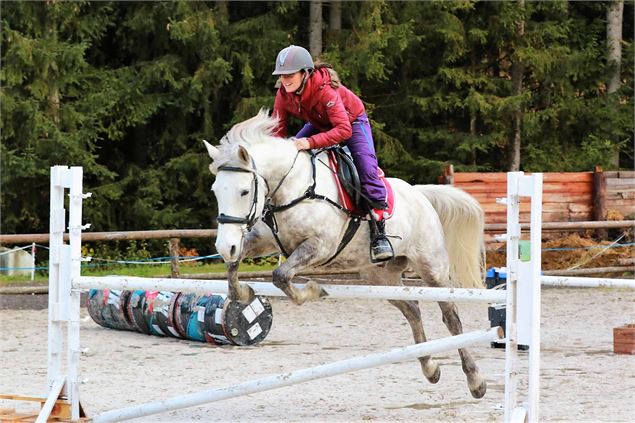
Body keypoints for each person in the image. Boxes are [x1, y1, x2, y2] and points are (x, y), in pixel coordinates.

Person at [271, 45, 393, 262]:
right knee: (291, 154)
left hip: (352, 122)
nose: (285, 80)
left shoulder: (325, 90)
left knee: (366, 168)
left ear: (305, 73)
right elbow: (278, 132)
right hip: (320, 123)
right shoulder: (282, 93)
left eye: (289, 75)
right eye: (281, 76)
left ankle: (379, 232)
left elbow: (343, 130)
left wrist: (308, 142)